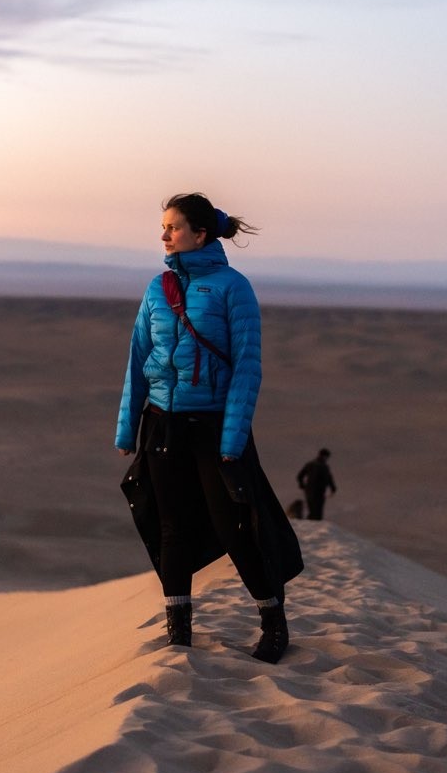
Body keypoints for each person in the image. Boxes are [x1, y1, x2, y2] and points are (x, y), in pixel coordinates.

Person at [116, 192, 303, 663]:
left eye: (173, 227)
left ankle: (273, 622)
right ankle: (179, 632)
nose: (164, 235)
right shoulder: (158, 288)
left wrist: (234, 437)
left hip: (215, 427)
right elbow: (139, 359)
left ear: (200, 234)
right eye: (163, 227)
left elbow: (247, 367)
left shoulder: (232, 288)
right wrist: (126, 428)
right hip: (162, 424)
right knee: (170, 528)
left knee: (235, 525)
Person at [296, 448, 337, 521]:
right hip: (317, 491)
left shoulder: (312, 464)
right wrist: (333, 488)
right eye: (326, 456)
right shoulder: (323, 467)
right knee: (316, 510)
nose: (326, 458)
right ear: (324, 456)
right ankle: (312, 526)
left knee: (313, 510)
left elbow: (300, 476)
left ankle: (312, 525)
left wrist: (302, 485)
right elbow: (329, 479)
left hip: (311, 490)